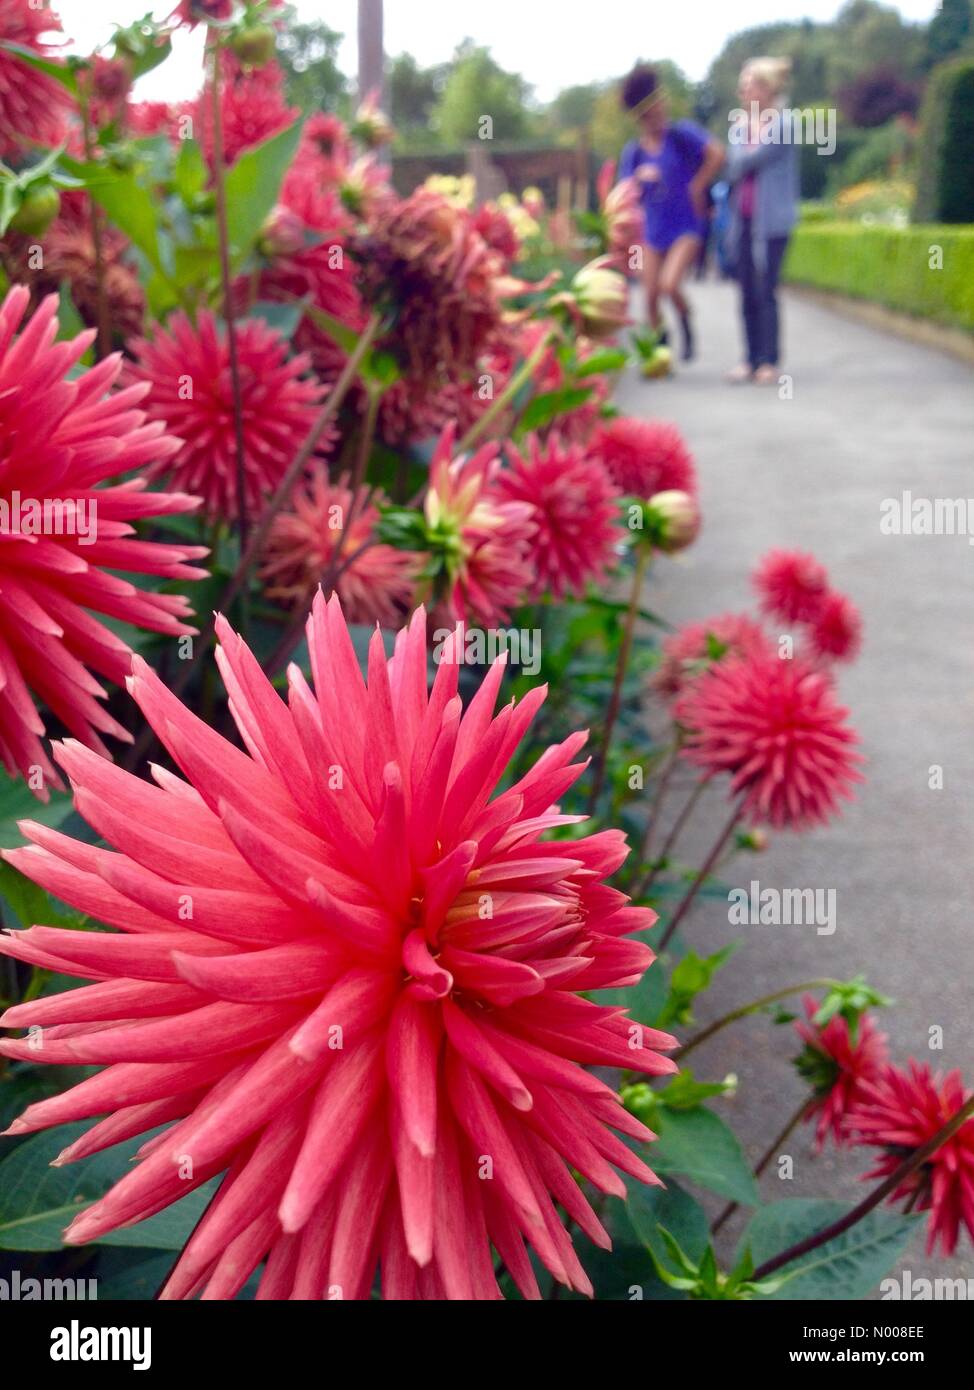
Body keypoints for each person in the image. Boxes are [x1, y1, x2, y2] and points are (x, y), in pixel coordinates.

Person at [619, 65, 724, 361]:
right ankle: (661, 348)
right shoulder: (635, 153)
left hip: (686, 226)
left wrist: (698, 185)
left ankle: (686, 322)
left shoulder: (682, 136)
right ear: (642, 118)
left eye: (660, 109)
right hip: (652, 231)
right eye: (651, 114)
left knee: (669, 285)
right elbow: (623, 193)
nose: (659, 117)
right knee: (650, 295)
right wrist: (639, 179)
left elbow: (717, 152)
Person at [723, 56, 800, 385]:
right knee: (745, 291)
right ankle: (750, 359)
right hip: (744, 221)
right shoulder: (740, 127)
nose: (743, 90)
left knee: (765, 290)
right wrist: (743, 149)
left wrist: (744, 148)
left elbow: (751, 158)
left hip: (773, 223)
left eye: (749, 83)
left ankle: (769, 360)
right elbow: (735, 166)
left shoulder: (785, 123)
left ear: (767, 88)